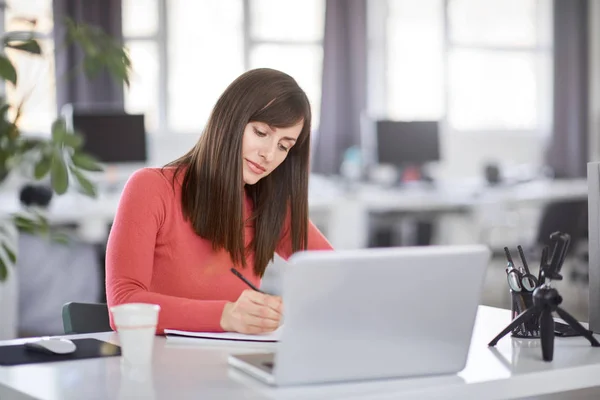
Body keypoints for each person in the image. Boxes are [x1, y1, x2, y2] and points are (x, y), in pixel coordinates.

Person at [105, 68, 333, 335]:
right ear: (230, 121)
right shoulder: (151, 188)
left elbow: (338, 275)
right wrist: (225, 315)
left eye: (284, 146)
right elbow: (122, 305)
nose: (269, 154)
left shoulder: (272, 208)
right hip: (159, 366)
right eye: (261, 133)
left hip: (234, 366)